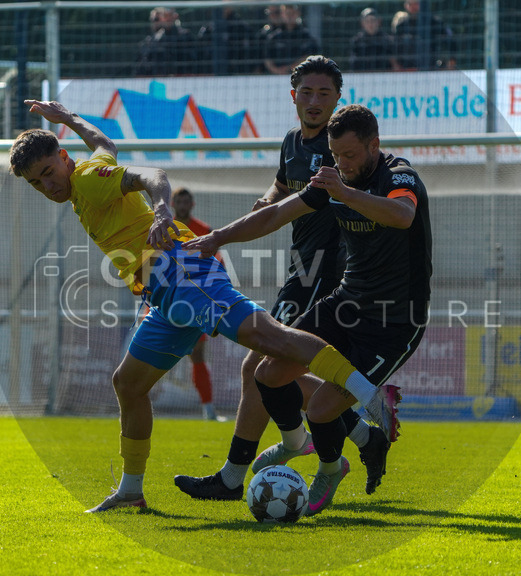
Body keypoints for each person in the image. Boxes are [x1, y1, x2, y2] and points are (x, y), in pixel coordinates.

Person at [9, 99, 397, 513]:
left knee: (272, 340)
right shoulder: (86, 174)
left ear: (64, 159)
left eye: (48, 172)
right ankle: (130, 490)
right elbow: (103, 142)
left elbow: (152, 175)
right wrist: (67, 117)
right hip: (163, 294)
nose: (47, 186)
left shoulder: (86, 179)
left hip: (182, 270)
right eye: (36, 183)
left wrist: (161, 208)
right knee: (129, 383)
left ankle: (370, 397)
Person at [183, 104, 431, 516]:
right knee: (268, 373)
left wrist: (345, 192)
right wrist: (218, 238)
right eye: (336, 156)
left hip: (394, 319)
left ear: (375, 145)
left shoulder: (398, 175)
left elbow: (403, 215)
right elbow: (277, 214)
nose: (342, 164)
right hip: (346, 301)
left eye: (350, 156)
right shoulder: (333, 179)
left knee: (320, 409)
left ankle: (331, 469)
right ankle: (308, 442)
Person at [170, 186, 224, 421]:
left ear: (191, 204)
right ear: (173, 204)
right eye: (178, 202)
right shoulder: (162, 228)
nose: (182, 205)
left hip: (196, 301)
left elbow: (215, 265)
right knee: (153, 354)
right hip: (168, 299)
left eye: (186, 202)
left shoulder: (205, 231)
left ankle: (208, 408)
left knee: (198, 354)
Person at [392, 0, 457, 70]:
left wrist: (451, 62)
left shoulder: (436, 23)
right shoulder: (401, 26)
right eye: (410, 4)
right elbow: (395, 49)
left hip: (434, 68)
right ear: (406, 6)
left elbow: (451, 42)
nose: (413, 7)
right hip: (409, 70)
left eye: (416, 3)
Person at [196, 0, 255, 75]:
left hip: (239, 73)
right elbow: (201, 51)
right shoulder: (208, 28)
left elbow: (248, 51)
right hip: (212, 72)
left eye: (225, 7)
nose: (224, 9)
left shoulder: (242, 27)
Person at [135, 7, 197, 77]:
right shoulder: (155, 39)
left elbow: (190, 59)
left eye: (168, 16)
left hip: (181, 77)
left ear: (174, 17)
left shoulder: (185, 35)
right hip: (159, 77)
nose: (166, 19)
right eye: (164, 16)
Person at [262, 4, 320, 75]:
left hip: (301, 75)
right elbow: (267, 59)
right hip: (277, 76)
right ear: (282, 14)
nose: (289, 16)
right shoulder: (273, 37)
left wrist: (292, 68)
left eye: (292, 13)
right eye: (287, 13)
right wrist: (277, 70)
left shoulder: (306, 36)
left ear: (298, 14)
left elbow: (310, 56)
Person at [349, 7, 400, 72]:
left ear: (378, 21)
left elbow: (394, 63)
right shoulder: (357, 41)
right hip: (363, 76)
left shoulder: (388, 40)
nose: (370, 24)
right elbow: (353, 64)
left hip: (384, 75)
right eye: (367, 21)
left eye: (373, 20)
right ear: (362, 23)